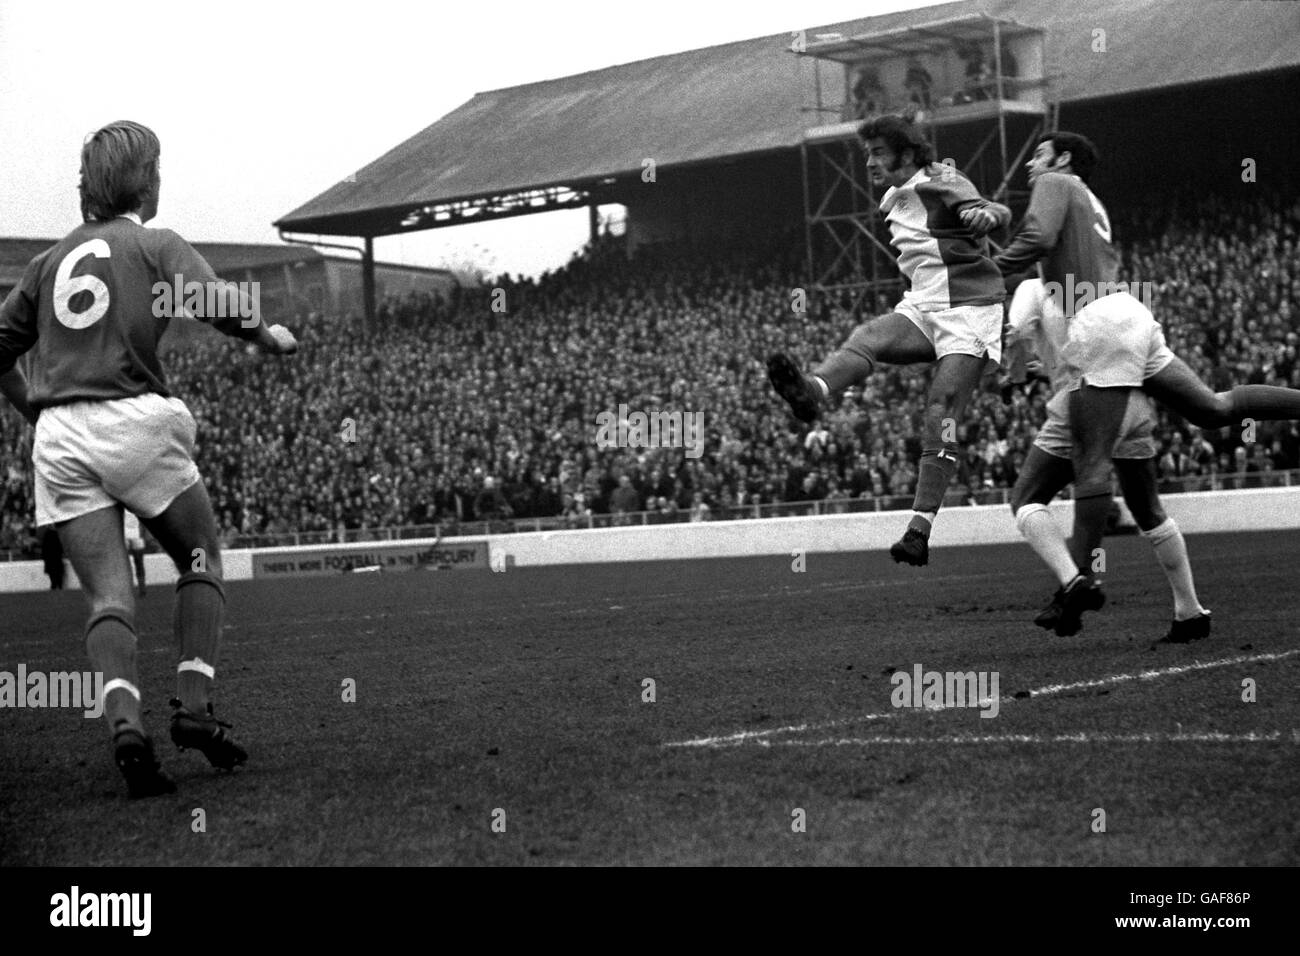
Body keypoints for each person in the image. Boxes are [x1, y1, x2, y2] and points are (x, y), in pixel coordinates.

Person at [0, 120, 298, 798]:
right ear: (147, 181)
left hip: (61, 437)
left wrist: (32, 408)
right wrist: (270, 335)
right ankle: (193, 710)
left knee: (108, 594)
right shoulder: (154, 242)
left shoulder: (46, 265)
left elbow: (0, 351)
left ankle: (126, 727)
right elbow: (210, 299)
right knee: (200, 556)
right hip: (133, 419)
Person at [994, 131, 1300, 631]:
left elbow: (1038, 240)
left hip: (1096, 322)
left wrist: (990, 269)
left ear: (1062, 158)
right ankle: (1179, 609)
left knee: (1090, 464)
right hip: (1129, 314)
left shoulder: (1056, 181)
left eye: (1038, 154)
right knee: (1213, 409)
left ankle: (1077, 585)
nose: (1031, 165)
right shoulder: (1092, 201)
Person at [768, 113, 1011, 566]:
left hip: (971, 309)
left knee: (941, 409)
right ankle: (811, 391)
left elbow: (996, 211)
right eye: (867, 154)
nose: (869, 162)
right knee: (867, 337)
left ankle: (919, 530)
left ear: (908, 152)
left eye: (878, 152)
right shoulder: (891, 199)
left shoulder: (943, 179)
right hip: (924, 305)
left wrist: (986, 214)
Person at [1005, 277, 1211, 642]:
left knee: (1026, 498)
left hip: (1085, 404)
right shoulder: (1093, 285)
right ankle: (1189, 611)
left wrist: (1012, 376)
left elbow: (1015, 333)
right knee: (1149, 511)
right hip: (1131, 400)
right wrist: (1044, 368)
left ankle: (1075, 581)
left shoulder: (1029, 288)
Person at [124, 509, 147, 597]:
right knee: (125, 563)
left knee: (139, 562)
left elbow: (143, 520)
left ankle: (142, 588)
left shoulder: (135, 505)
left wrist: (143, 535)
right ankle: (127, 589)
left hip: (136, 534)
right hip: (125, 533)